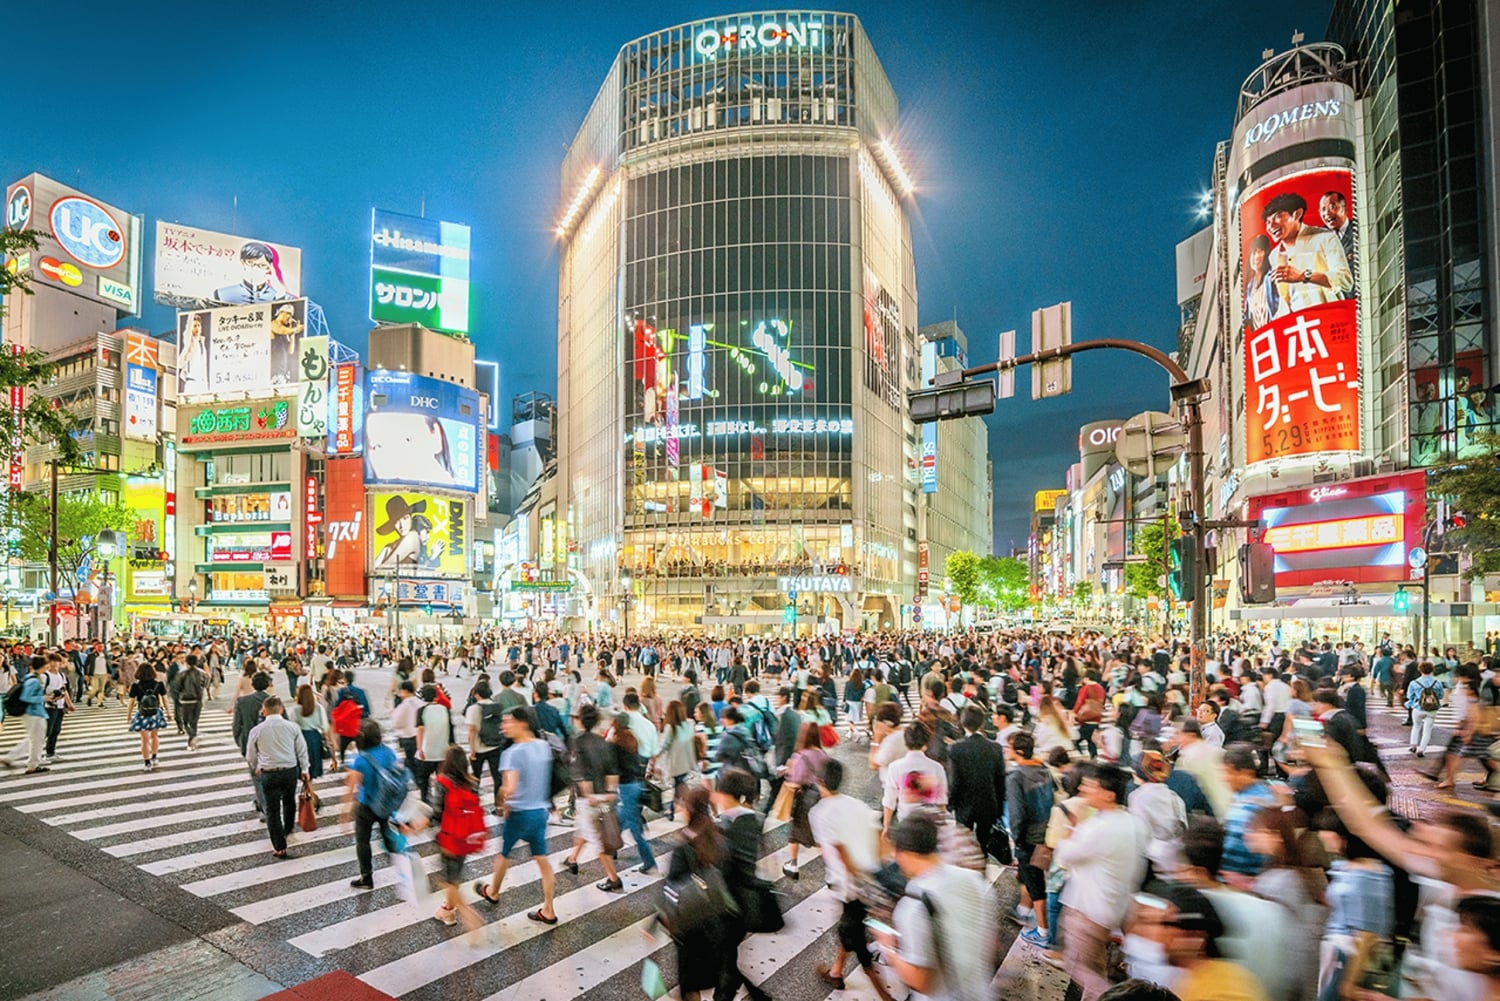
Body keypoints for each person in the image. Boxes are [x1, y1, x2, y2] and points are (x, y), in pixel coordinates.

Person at [873, 813, 1001, 1001]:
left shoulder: (913, 906)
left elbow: (921, 982)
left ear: (905, 854)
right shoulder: (974, 881)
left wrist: (888, 948)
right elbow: (991, 944)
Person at [1054, 764, 1150, 1001]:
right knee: (1096, 966)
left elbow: (1064, 856)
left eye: (1090, 786)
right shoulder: (1134, 823)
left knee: (1081, 968)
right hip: (1112, 908)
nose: (1084, 789)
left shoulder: (1098, 828)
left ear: (1109, 794)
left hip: (1086, 909)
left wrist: (1070, 827)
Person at [808, 759, 897, 1001]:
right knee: (849, 927)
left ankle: (883, 994)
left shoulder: (819, 813)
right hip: (870, 876)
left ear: (820, 782)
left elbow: (837, 851)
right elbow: (878, 835)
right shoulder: (855, 803)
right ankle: (836, 972)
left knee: (854, 935)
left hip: (850, 885)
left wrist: (856, 880)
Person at [473, 706, 559, 925]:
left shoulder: (512, 753)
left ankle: (493, 892)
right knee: (542, 860)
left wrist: (501, 800)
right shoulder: (543, 746)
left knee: (504, 854)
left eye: (508, 721)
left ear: (522, 723)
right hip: (540, 812)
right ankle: (548, 909)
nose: (503, 726)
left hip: (520, 813)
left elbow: (508, 787)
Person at [1125, 881, 1271, 1001]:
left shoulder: (1224, 990)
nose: (1141, 932)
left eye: (1157, 924)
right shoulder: (1185, 981)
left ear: (1192, 935)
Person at [711, 766, 776, 1001]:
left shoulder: (724, 825)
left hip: (727, 903)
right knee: (728, 955)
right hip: (746, 902)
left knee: (725, 958)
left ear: (724, 793)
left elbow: (720, 865)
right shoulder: (753, 819)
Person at [659, 783, 728, 1001]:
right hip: (716, 921)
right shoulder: (720, 838)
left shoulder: (684, 845)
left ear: (689, 809)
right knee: (713, 975)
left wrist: (659, 919)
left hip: (689, 924)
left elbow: (671, 886)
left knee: (690, 983)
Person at [1261, 190, 1354, 314]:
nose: (1271, 225)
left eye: (1278, 216)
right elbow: (1288, 299)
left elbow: (1345, 280)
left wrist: (1304, 275)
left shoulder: (1325, 237)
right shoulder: (1274, 255)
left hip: (1328, 318)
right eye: (1267, 222)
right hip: (1299, 326)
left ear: (1297, 214)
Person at [561, 702, 623, 890]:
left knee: (597, 838)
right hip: (606, 799)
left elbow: (581, 773)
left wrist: (590, 795)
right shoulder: (604, 743)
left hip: (589, 801)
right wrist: (610, 794)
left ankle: (613, 878)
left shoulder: (577, 742)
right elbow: (612, 772)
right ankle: (572, 859)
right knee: (587, 828)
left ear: (580, 720)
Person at [343, 718, 409, 890]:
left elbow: (352, 790)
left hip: (366, 805)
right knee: (385, 828)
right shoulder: (388, 752)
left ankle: (367, 877)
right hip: (385, 804)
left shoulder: (360, 760)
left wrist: (344, 817)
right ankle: (397, 854)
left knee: (362, 840)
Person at [244, 695, 311, 860]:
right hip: (289, 770)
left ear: (264, 711)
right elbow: (301, 750)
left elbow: (250, 755)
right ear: (281, 709)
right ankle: (287, 830)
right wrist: (305, 769)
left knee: (272, 810)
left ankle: (279, 846)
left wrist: (256, 767)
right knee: (289, 802)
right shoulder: (292, 727)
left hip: (269, 773)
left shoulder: (257, 730)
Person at [1006, 729, 1056, 945]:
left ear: (1017, 751)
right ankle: (1023, 910)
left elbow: (1017, 813)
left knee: (1035, 883)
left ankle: (1043, 932)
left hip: (1027, 837)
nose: (1005, 751)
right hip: (1046, 832)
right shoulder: (1043, 769)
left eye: (1008, 747)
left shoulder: (1016, 777)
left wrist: (1016, 838)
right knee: (1030, 875)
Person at [429, 745, 486, 931]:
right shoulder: (472, 783)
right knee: (454, 877)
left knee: (447, 880)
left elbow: (437, 813)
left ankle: (469, 916)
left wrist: (418, 825)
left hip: (448, 838)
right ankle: (448, 911)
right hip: (466, 837)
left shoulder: (442, 782)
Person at [1219, 743, 1278, 887]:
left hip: (1243, 882)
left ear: (1246, 773)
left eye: (1229, 772)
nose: (1224, 778)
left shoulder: (1250, 808)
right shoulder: (1258, 794)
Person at [948, 703, 1006, 844]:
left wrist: (951, 803)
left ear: (963, 723)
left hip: (964, 804)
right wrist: (999, 807)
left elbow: (955, 780)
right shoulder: (995, 748)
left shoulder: (955, 748)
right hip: (988, 802)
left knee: (964, 844)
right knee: (984, 841)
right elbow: (1000, 780)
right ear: (982, 722)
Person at [610, 710, 659, 877]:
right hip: (636, 784)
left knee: (633, 828)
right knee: (622, 819)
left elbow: (612, 768)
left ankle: (649, 861)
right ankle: (613, 848)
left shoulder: (615, 743)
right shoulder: (631, 738)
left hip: (625, 788)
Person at [782, 721, 828, 880]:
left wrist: (788, 772)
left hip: (805, 799)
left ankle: (793, 865)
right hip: (820, 798)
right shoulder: (823, 754)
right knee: (820, 836)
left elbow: (796, 780)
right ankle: (832, 870)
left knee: (795, 834)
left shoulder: (801, 756)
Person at [1, 657, 49, 773]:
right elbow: (25, 697)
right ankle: (32, 764)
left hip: (34, 712)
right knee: (36, 739)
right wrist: (44, 698)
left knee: (35, 738)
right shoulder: (33, 681)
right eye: (46, 665)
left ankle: (12, 758)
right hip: (33, 713)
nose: (47, 667)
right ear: (42, 666)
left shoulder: (31, 678)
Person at [128, 661, 170, 771]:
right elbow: (165, 699)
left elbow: (131, 702)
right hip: (156, 713)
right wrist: (169, 713)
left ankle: (147, 763)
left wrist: (128, 716)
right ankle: (154, 757)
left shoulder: (136, 685)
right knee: (155, 736)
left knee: (144, 740)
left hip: (142, 714)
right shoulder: (159, 684)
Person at [414, 684, 451, 802]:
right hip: (443, 751)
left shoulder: (422, 711)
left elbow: (420, 730)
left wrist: (419, 749)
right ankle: (443, 803)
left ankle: (425, 802)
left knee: (424, 782)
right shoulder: (445, 709)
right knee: (442, 780)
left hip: (427, 752)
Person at [289, 684, 329, 779]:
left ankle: (307, 788)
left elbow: (292, 726)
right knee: (314, 761)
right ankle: (310, 788)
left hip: (301, 736)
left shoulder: (295, 710)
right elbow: (325, 726)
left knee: (303, 762)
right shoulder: (319, 708)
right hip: (315, 736)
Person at [1406, 661, 1445, 757]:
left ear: (1420, 670)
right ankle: (1422, 749)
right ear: (1432, 670)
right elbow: (1440, 696)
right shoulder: (1437, 682)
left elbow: (1409, 696)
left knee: (1416, 726)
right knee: (1427, 730)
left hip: (1418, 708)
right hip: (1432, 709)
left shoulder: (1414, 682)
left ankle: (1413, 745)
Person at [172, 654, 209, 751]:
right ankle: (192, 741)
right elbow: (206, 684)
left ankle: (192, 737)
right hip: (198, 699)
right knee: (194, 721)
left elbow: (177, 687)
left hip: (185, 700)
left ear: (186, 662)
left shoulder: (182, 673)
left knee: (186, 722)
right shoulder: (202, 673)